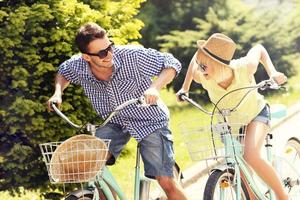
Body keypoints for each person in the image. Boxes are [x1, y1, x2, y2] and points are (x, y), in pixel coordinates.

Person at [47, 22, 187, 200]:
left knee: (166, 181)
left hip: (150, 120)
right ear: (87, 57)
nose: (109, 54)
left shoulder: (132, 57)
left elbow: (172, 63)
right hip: (113, 121)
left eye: (110, 47)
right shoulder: (78, 65)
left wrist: (154, 88)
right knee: (92, 167)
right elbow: (63, 72)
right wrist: (57, 93)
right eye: (102, 53)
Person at [176, 33, 288, 200]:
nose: (200, 70)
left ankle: (283, 197)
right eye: (200, 65)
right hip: (231, 124)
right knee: (239, 169)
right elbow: (194, 62)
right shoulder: (204, 76)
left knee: (251, 156)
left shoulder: (245, 67)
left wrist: (273, 72)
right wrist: (185, 88)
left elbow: (259, 48)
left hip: (255, 114)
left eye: (204, 66)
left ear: (219, 64)